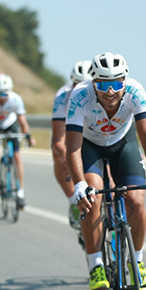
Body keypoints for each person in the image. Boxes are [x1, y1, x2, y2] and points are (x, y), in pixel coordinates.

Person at [65, 52, 146, 290]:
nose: (110, 91)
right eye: (103, 84)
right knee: (93, 199)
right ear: (94, 83)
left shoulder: (135, 91)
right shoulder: (80, 95)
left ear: (125, 81)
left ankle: (138, 262)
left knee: (135, 200)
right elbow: (73, 146)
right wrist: (79, 184)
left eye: (116, 84)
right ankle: (96, 266)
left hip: (124, 144)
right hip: (90, 146)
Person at [52, 61, 92, 241]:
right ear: (71, 83)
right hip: (74, 137)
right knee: (58, 155)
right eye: (77, 85)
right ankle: (73, 202)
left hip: (95, 136)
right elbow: (58, 138)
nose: (81, 89)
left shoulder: (101, 93)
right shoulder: (63, 96)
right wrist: (65, 159)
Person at [0, 73, 33, 208]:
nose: (1, 97)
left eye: (4, 94)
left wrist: (28, 135)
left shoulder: (16, 100)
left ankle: (20, 193)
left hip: (10, 123)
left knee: (17, 156)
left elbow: (22, 121)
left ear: (9, 92)